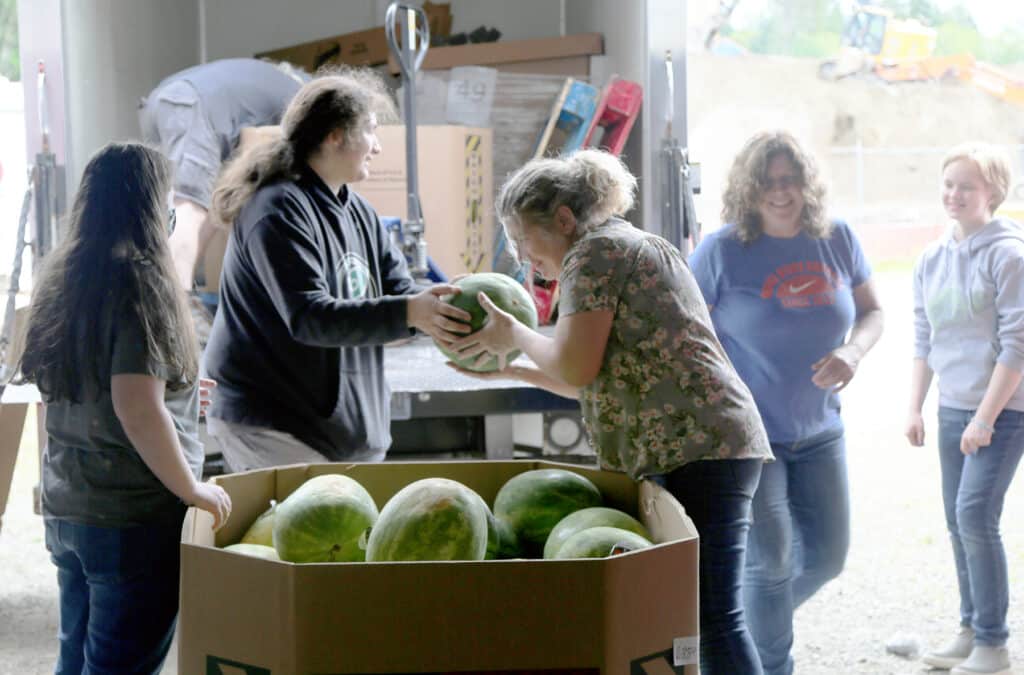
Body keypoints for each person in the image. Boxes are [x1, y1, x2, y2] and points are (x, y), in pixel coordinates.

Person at [447, 149, 774, 674]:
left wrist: (516, 335)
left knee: (713, 615)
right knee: (700, 613)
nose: (523, 257)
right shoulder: (617, 246)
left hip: (703, 448)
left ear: (563, 219)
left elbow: (576, 367)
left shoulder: (593, 255)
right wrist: (512, 368)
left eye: (523, 239)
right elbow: (604, 384)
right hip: (705, 444)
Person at [17, 142, 232, 674]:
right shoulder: (140, 280)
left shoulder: (63, 279)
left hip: (71, 507)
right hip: (130, 518)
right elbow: (136, 406)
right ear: (153, 210)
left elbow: (68, 391)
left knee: (76, 660)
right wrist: (192, 488)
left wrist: (177, 397)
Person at [202, 69, 471, 472]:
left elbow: (401, 290)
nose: (377, 147)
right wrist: (412, 312)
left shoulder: (360, 212)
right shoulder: (276, 209)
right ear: (335, 137)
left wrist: (451, 303)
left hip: (340, 430)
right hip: (274, 424)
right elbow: (308, 316)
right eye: (372, 132)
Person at [688, 130, 884, 675]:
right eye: (768, 182)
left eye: (790, 179)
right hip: (752, 436)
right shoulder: (722, 250)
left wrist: (853, 351)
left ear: (806, 184)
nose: (780, 191)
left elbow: (873, 312)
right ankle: (771, 666)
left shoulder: (837, 237)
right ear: (749, 190)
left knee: (826, 558)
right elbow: (688, 335)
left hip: (821, 428)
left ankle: (734, 638)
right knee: (769, 563)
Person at [906, 143, 1024, 675]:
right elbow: (923, 335)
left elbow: (1018, 345)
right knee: (959, 522)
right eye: (949, 184)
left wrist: (985, 418)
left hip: (1004, 409)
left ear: (993, 193)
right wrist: (916, 407)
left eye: (967, 187)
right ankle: (971, 629)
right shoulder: (932, 257)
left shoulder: (1009, 254)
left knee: (976, 514)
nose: (954, 195)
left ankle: (994, 645)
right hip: (953, 406)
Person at [138, 57, 310, 336]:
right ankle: (174, 310)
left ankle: (167, 302)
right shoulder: (302, 96)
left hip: (162, 103)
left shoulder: (260, 83)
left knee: (192, 205)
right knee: (191, 208)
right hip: (190, 105)